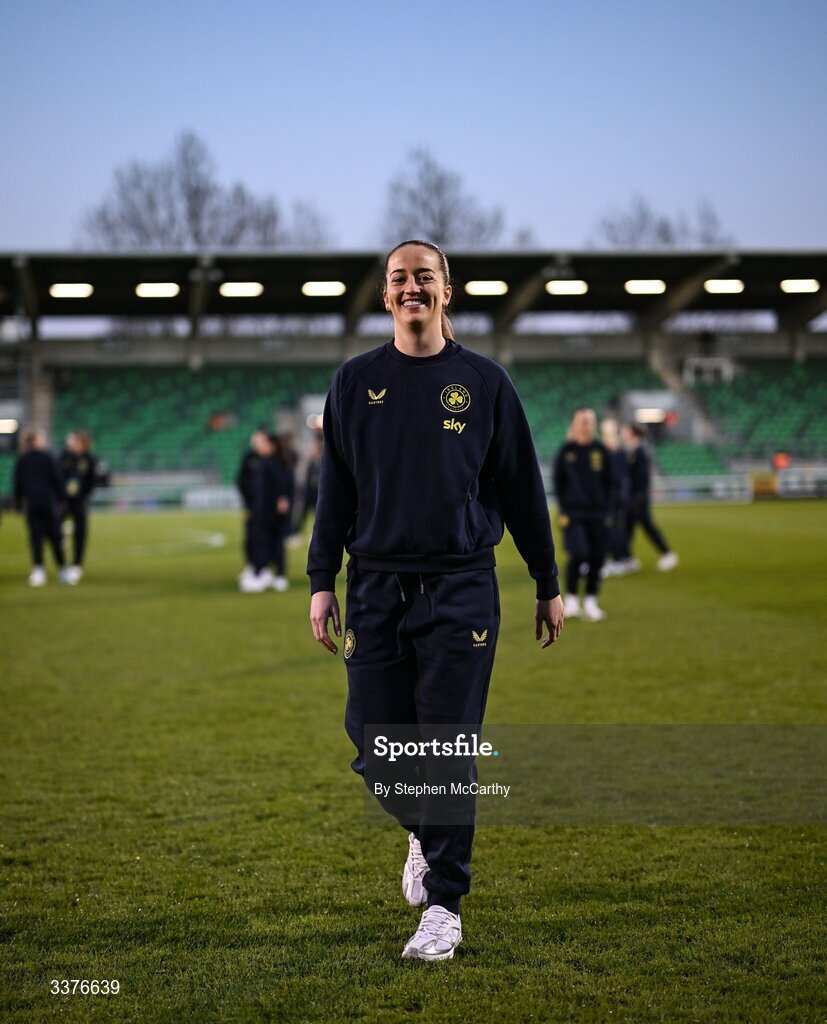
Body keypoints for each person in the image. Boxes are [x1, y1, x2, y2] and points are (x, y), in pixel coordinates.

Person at [307, 239, 564, 962]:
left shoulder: (483, 382)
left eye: (425, 277)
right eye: (399, 279)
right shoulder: (354, 382)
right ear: (386, 296)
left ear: (446, 291)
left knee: (447, 750)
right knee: (374, 747)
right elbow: (337, 492)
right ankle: (424, 831)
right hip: (375, 589)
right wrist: (321, 579)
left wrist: (546, 583)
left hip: (460, 588)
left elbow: (521, 491)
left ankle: (445, 906)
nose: (411, 287)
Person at [553, 408, 614, 621]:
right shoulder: (566, 451)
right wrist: (563, 510)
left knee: (597, 558)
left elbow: (612, 482)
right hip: (573, 514)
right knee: (578, 554)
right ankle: (570, 599)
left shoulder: (601, 451)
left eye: (590, 421)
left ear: (594, 425)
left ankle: (590, 601)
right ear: (574, 424)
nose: (586, 424)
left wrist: (609, 509)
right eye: (582, 421)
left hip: (598, 514)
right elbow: (558, 483)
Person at [14, 429, 71, 586]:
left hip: (32, 503)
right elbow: (57, 479)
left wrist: (18, 505)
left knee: (35, 537)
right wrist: (63, 499)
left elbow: (17, 484)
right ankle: (62, 570)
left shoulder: (22, 459)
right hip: (48, 502)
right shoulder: (47, 457)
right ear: (37, 441)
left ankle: (38, 570)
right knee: (55, 537)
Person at [620, 423, 678, 571]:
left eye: (625, 430)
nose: (622, 433)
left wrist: (639, 497)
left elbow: (642, 478)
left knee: (648, 527)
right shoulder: (632, 452)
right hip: (631, 499)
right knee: (626, 529)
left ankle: (667, 554)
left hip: (638, 500)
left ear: (632, 433)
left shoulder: (641, 452)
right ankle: (627, 558)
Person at [240, 434, 294, 592]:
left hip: (270, 512)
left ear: (272, 446)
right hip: (262, 510)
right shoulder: (262, 462)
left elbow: (283, 487)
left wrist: (282, 499)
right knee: (264, 541)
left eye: (264, 444)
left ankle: (270, 574)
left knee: (271, 541)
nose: (260, 447)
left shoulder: (274, 464)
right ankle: (264, 572)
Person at [59, 429, 98, 583]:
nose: (73, 444)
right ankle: (61, 559)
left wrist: (84, 496)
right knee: (54, 526)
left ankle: (76, 565)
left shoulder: (89, 459)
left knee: (80, 533)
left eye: (76, 441)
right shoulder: (63, 457)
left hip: (79, 501)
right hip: (63, 500)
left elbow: (91, 481)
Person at [236, 429, 270, 588]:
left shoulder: (270, 459)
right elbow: (241, 481)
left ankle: (263, 569)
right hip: (253, 507)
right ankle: (253, 567)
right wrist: (248, 502)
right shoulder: (249, 457)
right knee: (252, 537)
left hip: (268, 508)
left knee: (266, 538)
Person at [599, 417, 630, 578]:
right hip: (608, 499)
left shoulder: (617, 453)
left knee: (614, 531)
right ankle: (612, 560)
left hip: (615, 499)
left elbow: (617, 478)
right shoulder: (604, 451)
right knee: (608, 530)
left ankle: (617, 560)